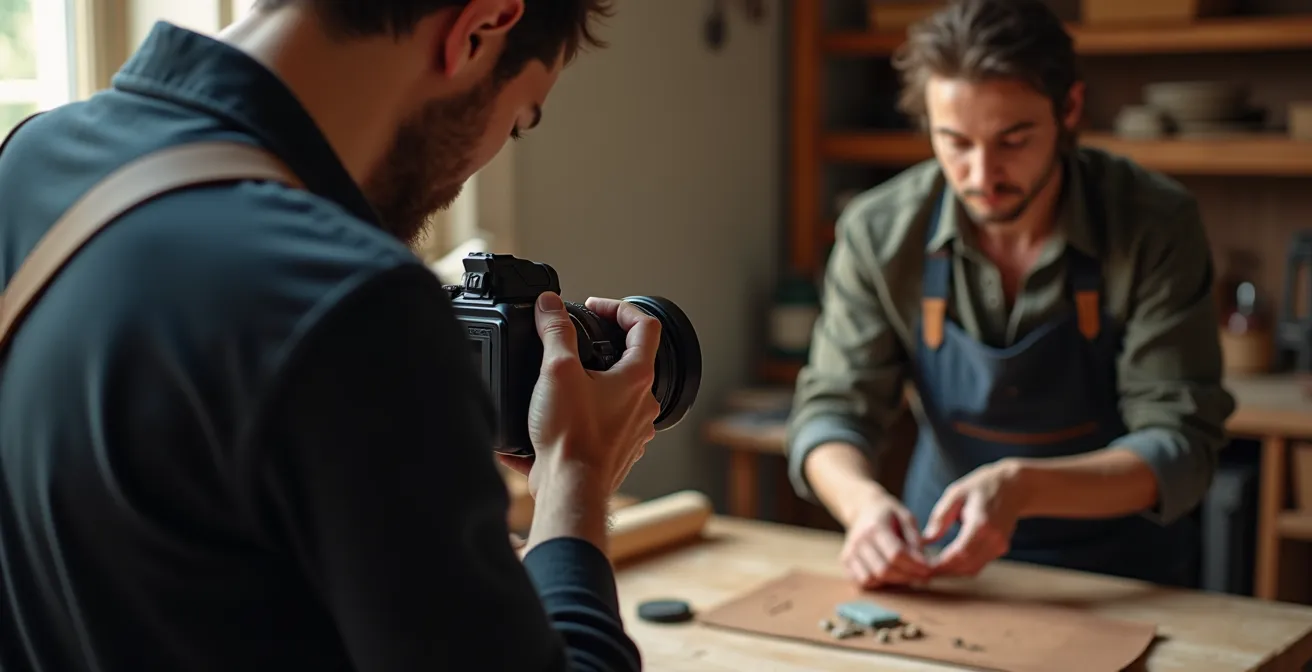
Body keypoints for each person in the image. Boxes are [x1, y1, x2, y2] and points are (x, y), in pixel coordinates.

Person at [0, 1, 659, 670]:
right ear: (480, 27)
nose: (483, 161)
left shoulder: (29, 163)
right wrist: (576, 469)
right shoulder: (352, 302)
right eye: (520, 118)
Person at [786, 0, 1236, 591]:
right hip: (943, 566)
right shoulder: (880, 231)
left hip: (1119, 573)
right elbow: (831, 411)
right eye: (955, 142)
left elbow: (1181, 440)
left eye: (1013, 140)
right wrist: (863, 507)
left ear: (1069, 109)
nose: (982, 175)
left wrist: (1022, 487)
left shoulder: (1151, 224)